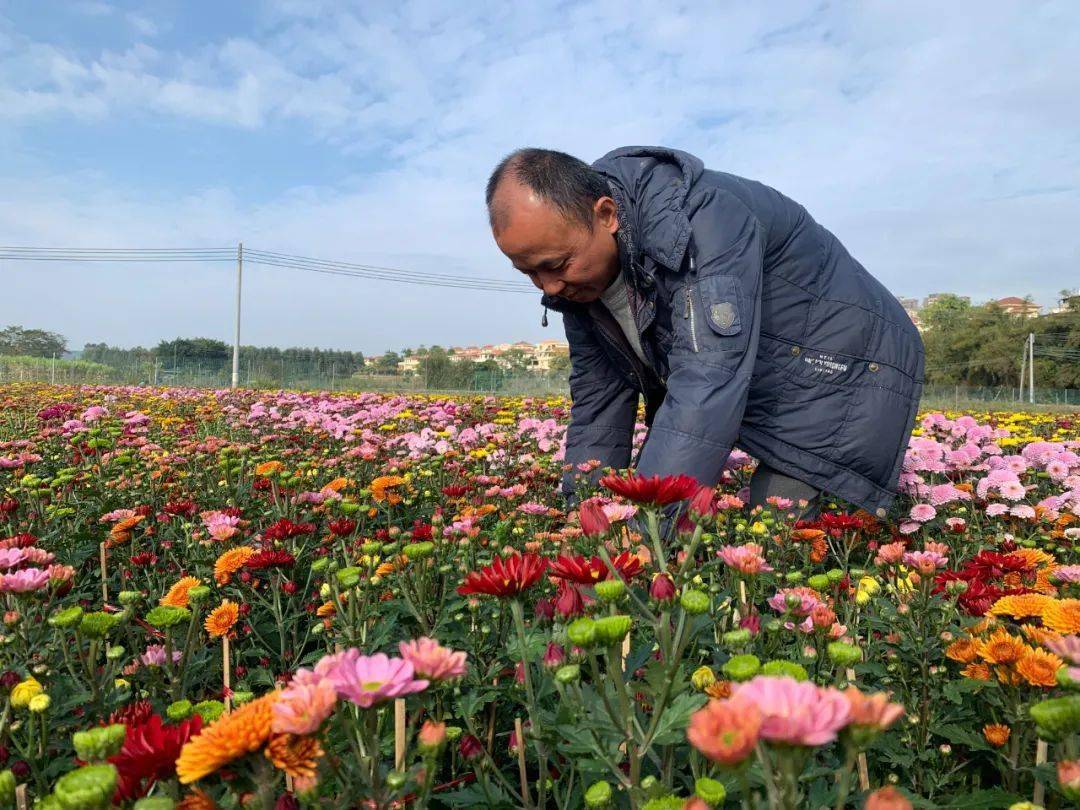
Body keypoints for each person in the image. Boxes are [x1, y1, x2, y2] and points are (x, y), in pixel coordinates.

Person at [486, 146, 924, 520]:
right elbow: (597, 401)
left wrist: (643, 534)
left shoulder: (703, 220)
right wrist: (584, 518)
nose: (549, 287)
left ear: (606, 214)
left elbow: (708, 375)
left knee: (777, 526)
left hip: (842, 364)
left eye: (557, 265)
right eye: (529, 272)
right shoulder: (578, 287)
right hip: (761, 366)